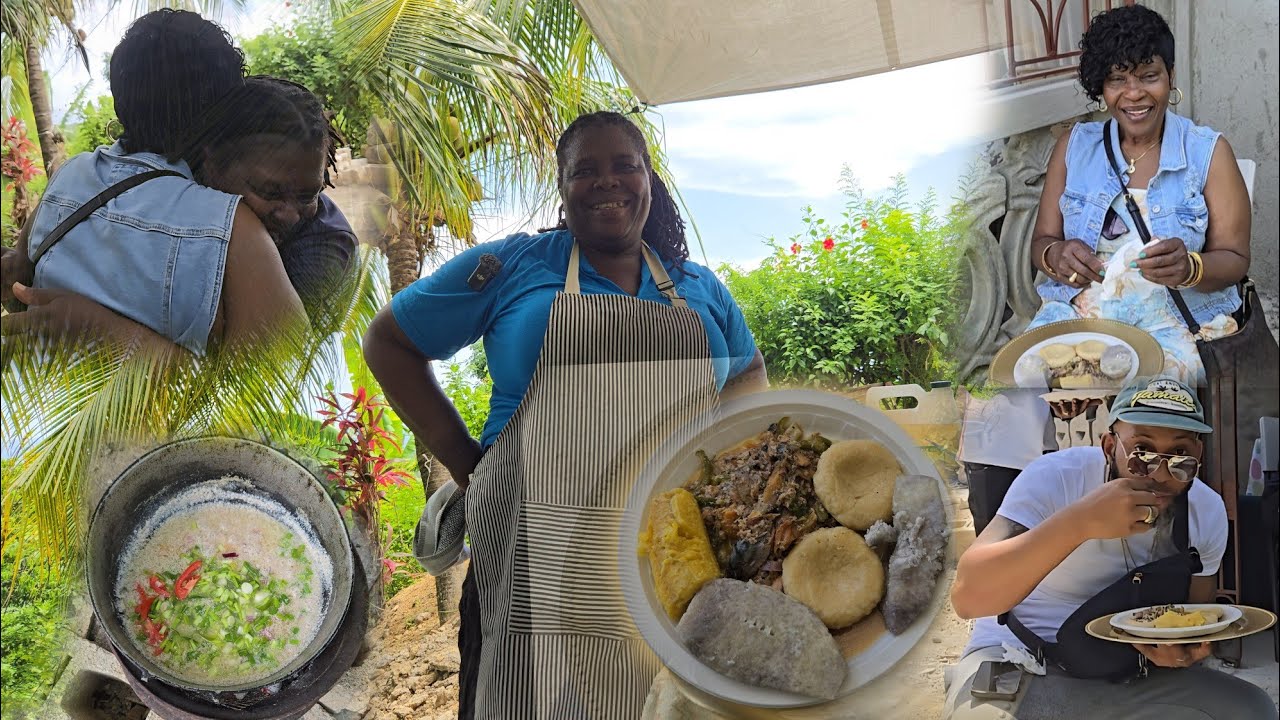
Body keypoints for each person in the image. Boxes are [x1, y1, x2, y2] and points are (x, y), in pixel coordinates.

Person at [362, 110, 767, 719]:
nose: (608, 182)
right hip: (534, 557)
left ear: (648, 180)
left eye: (625, 166)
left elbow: (748, 377)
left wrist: (727, 487)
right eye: (586, 170)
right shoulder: (516, 267)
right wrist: (472, 465)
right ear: (563, 185)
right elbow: (389, 342)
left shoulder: (699, 285)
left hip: (670, 553)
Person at [946, 377, 1275, 720]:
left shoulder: (1205, 512)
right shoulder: (1056, 477)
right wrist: (1079, 524)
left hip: (1128, 672)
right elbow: (969, 598)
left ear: (1199, 456)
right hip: (1023, 658)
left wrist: (1180, 652)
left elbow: (1193, 617)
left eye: (1181, 457)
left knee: (1253, 709)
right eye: (1142, 453)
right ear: (1108, 446)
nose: (1161, 474)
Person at [0, 10, 309, 355]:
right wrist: (116, 338)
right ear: (224, 115)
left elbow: (18, 292)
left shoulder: (67, 178)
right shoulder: (233, 228)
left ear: (120, 103)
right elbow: (288, 389)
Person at [1028, 4, 1251, 388]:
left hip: (1175, 321)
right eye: (1117, 80)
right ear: (1102, 86)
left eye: (1149, 76)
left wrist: (1190, 268)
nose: (1134, 95)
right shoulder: (1074, 148)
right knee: (1026, 376)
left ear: (1170, 76)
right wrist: (1057, 255)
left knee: (1149, 386)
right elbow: (1042, 242)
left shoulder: (1208, 153)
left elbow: (1235, 259)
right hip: (1082, 313)